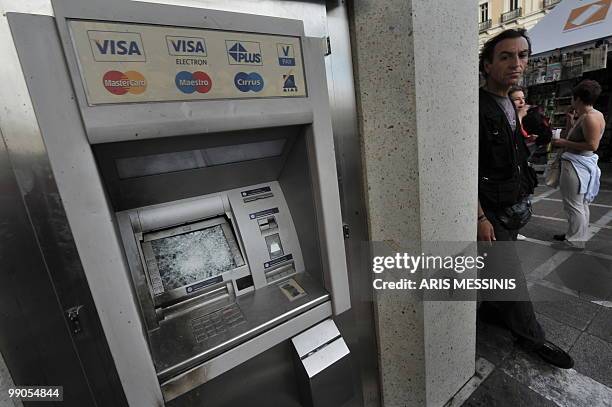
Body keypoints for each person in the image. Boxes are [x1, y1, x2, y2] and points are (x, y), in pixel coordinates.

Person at [478, 28, 573, 369]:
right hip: (489, 208)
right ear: (487, 65)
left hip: (511, 203)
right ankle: (532, 337)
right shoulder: (476, 106)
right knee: (511, 273)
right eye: (505, 56)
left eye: (522, 56)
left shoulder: (512, 103)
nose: (516, 63)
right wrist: (479, 217)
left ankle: (490, 309)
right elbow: (464, 166)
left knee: (500, 268)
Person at [552, 80, 605, 250]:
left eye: (573, 98)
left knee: (574, 205)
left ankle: (575, 240)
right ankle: (574, 234)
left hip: (577, 165)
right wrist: (570, 121)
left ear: (578, 99)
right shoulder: (589, 115)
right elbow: (579, 135)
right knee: (580, 204)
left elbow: (592, 145)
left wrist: (562, 142)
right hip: (578, 164)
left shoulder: (590, 117)